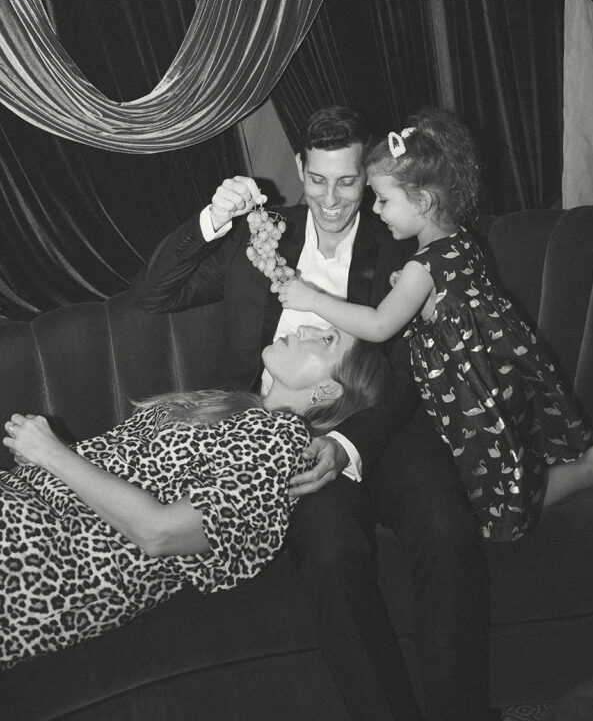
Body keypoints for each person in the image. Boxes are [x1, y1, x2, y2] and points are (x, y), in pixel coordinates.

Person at [131, 105, 495, 721]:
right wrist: (213, 217)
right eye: (318, 179)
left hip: (382, 422)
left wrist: (347, 446)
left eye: (348, 181)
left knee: (447, 532)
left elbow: (407, 375)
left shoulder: (396, 244)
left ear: (369, 177)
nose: (331, 197)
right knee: (331, 556)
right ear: (299, 168)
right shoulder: (258, 237)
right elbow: (152, 294)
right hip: (282, 436)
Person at [279, 107, 593, 542]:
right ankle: (587, 464)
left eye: (384, 199)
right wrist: (416, 295)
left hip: (467, 394)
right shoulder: (459, 242)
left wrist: (314, 300)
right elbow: (455, 303)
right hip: (495, 374)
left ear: (422, 201)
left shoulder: (422, 266)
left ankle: (587, 471)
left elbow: (380, 326)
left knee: (490, 501)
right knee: (506, 470)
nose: (376, 210)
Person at [0, 326, 388, 670]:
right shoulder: (235, 408)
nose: (304, 327)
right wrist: (46, 460)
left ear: (329, 390)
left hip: (43, 560)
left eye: (327, 339)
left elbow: (159, 533)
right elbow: (129, 473)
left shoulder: (282, 443)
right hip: (27, 511)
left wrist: (53, 454)